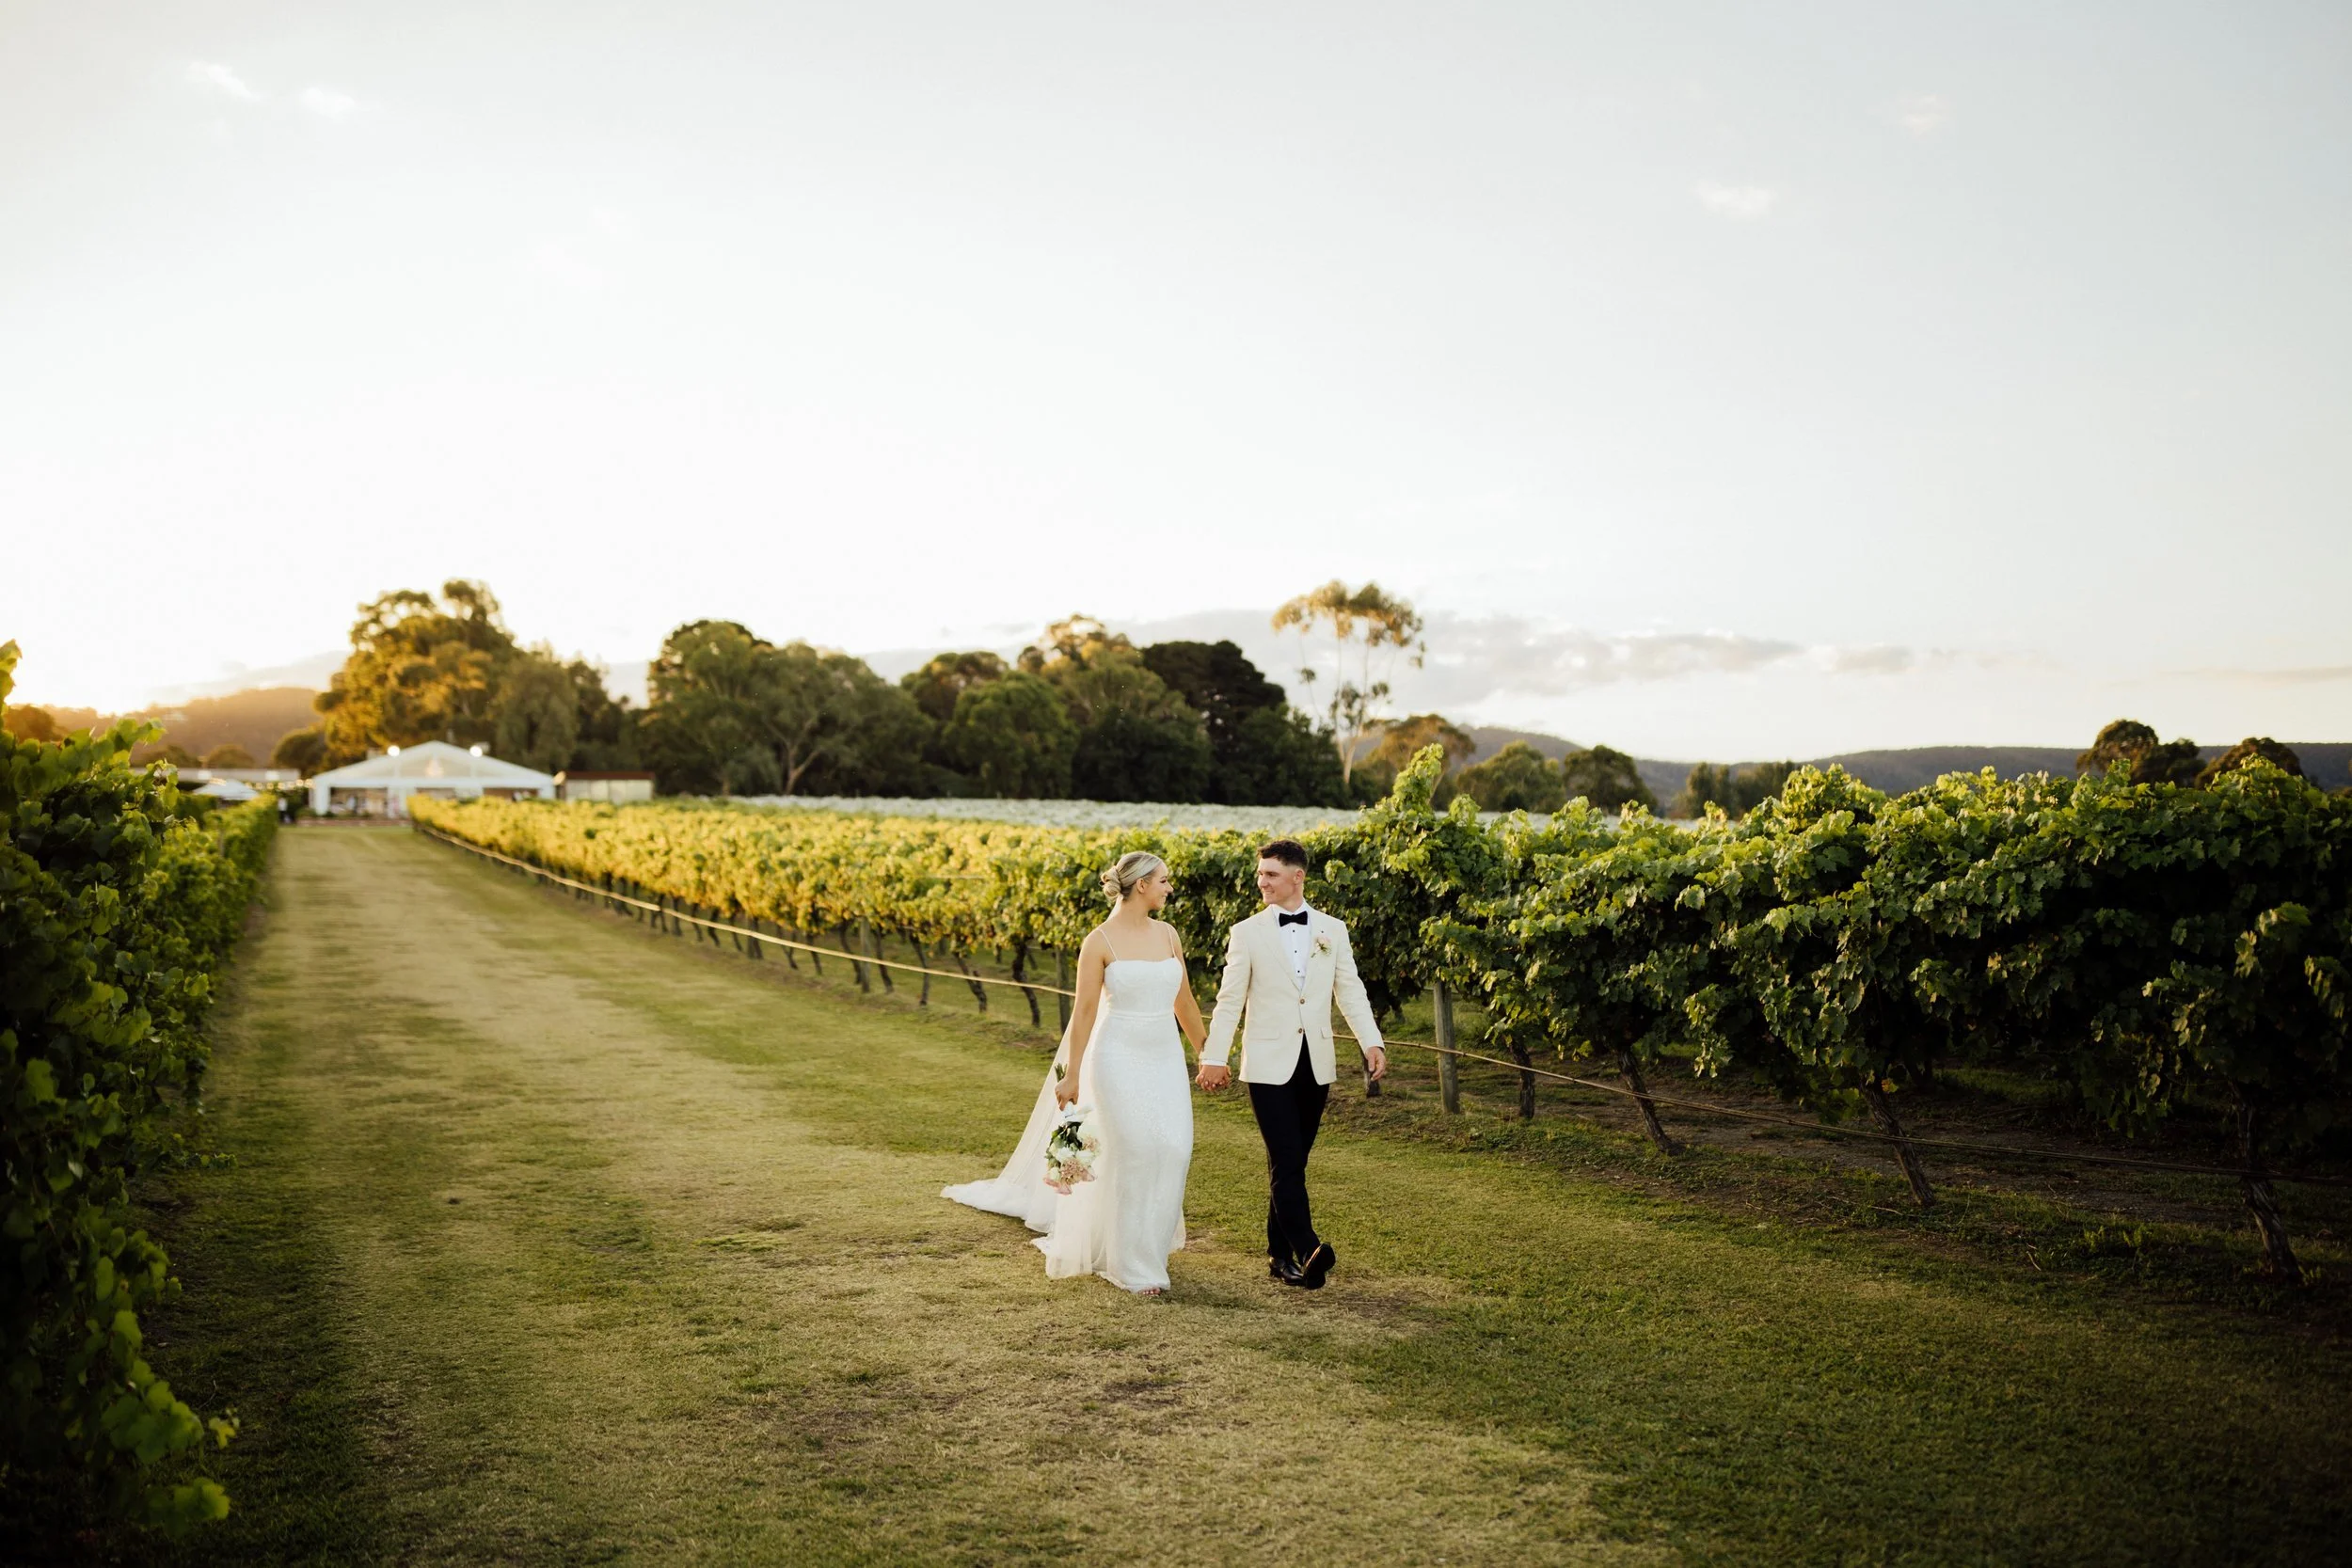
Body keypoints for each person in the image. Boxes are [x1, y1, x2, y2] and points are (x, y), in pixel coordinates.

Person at [943, 851, 1206, 1295]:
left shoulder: (1169, 935)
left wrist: (1207, 1052)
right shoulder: (1099, 942)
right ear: (1141, 885)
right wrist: (1073, 1074)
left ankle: (1149, 1247)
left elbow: (1184, 1001)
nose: (1169, 887)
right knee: (1136, 1151)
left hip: (1163, 1058)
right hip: (1118, 1056)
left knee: (1174, 1149)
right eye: (1164, 880)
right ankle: (1133, 1266)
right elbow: (1084, 1013)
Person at [1197, 838, 1385, 1290]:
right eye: (1260, 874)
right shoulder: (1246, 932)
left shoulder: (1332, 930)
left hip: (1315, 1061)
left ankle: (1279, 1256)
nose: (1261, 882)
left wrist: (1371, 1042)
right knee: (1285, 1157)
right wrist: (1214, 1057)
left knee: (1292, 1162)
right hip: (1266, 1062)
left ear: (1297, 876)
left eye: (1271, 874)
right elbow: (1229, 1001)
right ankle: (1309, 1247)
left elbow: (1351, 991)